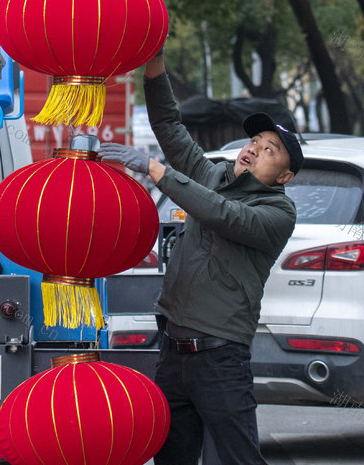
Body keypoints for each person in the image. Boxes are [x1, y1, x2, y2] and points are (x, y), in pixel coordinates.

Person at [99, 47, 304, 465]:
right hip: (173, 352)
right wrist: (154, 64)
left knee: (239, 458)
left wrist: (155, 170)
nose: (253, 149)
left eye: (269, 151)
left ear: (284, 176)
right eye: (254, 141)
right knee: (171, 456)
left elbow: (220, 213)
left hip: (220, 357)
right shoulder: (212, 173)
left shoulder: (278, 212)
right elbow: (170, 127)